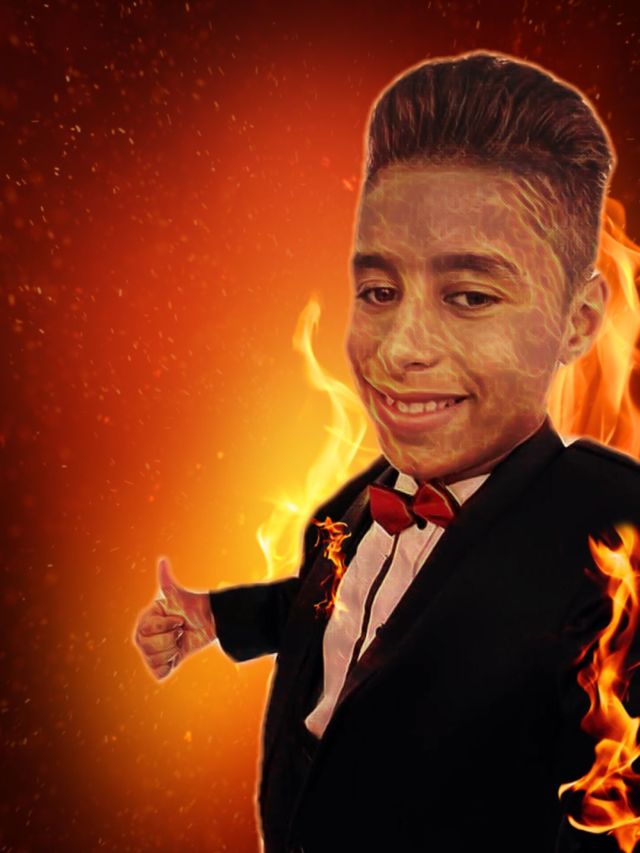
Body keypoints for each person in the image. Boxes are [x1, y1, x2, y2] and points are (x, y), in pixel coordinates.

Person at [133, 50, 640, 852]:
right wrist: (218, 618)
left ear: (578, 321)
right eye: (378, 291)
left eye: (468, 296)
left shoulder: (615, 538)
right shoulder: (362, 501)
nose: (399, 348)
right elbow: (329, 606)